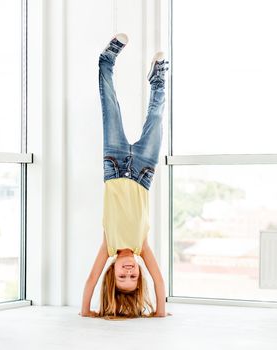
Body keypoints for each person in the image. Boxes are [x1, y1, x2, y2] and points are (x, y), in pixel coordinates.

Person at [80, 33, 169, 319]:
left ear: (113, 271)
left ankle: (106, 60)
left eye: (122, 277)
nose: (129, 273)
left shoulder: (109, 246)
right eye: (133, 278)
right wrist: (159, 312)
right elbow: (159, 280)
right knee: (156, 119)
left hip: (115, 165)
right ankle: (158, 79)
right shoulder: (142, 248)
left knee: (111, 107)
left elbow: (91, 280)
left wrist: (86, 311)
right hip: (144, 172)